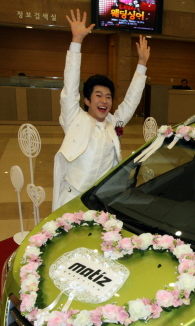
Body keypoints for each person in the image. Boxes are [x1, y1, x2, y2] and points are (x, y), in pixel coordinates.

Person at [52, 9, 150, 211]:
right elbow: (70, 86)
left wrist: (141, 64)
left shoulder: (113, 123)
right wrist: (77, 41)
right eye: (98, 95)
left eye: (108, 96)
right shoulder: (75, 118)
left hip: (102, 199)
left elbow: (131, 102)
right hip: (73, 197)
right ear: (87, 100)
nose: (104, 100)